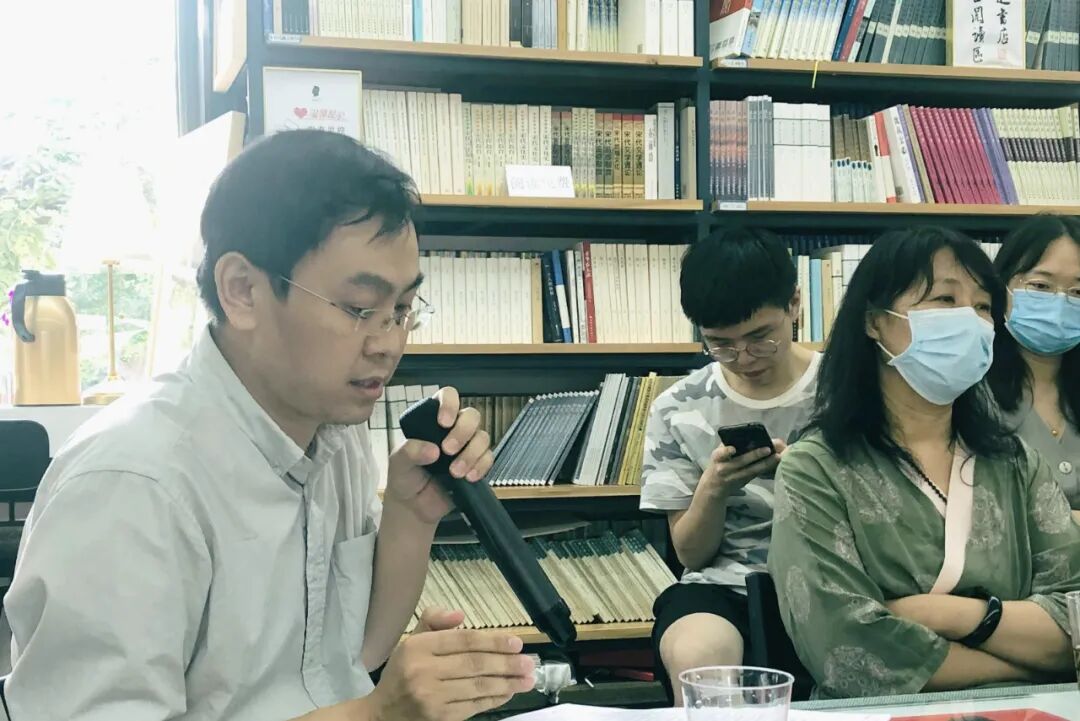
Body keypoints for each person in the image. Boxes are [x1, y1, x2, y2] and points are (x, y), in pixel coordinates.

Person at [3, 131, 536, 721]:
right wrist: (379, 715)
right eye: (360, 308)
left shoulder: (333, 432)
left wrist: (412, 517)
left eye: (403, 310)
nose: (389, 343)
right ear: (242, 291)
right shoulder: (130, 483)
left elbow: (352, 657)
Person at [768, 226, 1080, 699]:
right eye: (944, 299)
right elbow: (846, 648)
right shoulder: (816, 469)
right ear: (875, 321)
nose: (970, 321)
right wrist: (1028, 666)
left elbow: (1073, 616)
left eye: (982, 307)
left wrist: (956, 615)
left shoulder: (1016, 463)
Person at [639, 228, 820, 705]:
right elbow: (691, 556)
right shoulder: (677, 407)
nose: (743, 359)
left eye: (761, 338)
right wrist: (713, 489)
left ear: (794, 304)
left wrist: (807, 475)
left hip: (835, 578)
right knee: (698, 659)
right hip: (726, 586)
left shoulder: (846, 390)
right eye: (720, 344)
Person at [987, 215, 1080, 518]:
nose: (1060, 304)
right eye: (1040, 285)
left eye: (1078, 292)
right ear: (1002, 286)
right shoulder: (969, 389)